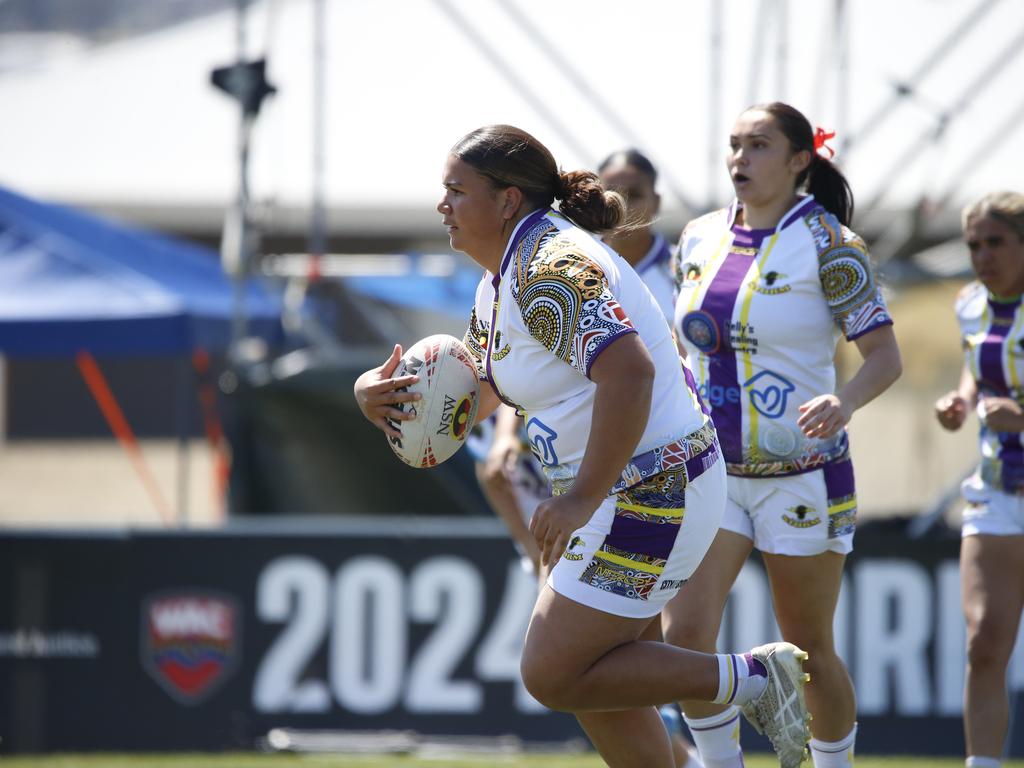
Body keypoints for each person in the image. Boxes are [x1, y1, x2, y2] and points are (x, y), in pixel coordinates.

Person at [354, 124, 811, 768]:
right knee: (599, 686)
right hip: (629, 490)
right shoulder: (504, 276)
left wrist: (580, 499)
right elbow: (478, 391)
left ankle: (751, 680)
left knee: (552, 672)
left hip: (655, 489)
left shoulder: (548, 270)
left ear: (508, 201)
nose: (443, 205)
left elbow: (630, 372)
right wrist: (379, 396)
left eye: (457, 190)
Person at [664, 102, 902, 768]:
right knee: (682, 638)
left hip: (802, 476)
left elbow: (886, 357)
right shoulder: (697, 238)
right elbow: (676, 351)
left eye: (759, 145)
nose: (740, 157)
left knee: (807, 649)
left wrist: (845, 399)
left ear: (801, 161)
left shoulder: (832, 245)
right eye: (734, 144)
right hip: (712, 475)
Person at [934, 191, 1024, 768]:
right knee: (984, 642)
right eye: (973, 244)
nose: (982, 256)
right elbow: (978, 365)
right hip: (997, 489)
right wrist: (961, 400)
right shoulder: (971, 304)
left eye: (996, 243)